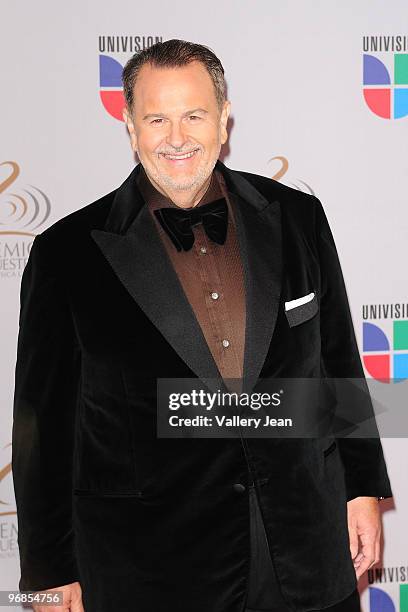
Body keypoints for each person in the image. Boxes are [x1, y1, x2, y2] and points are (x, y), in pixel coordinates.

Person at [12, 39, 392, 612]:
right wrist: (46, 571)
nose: (177, 137)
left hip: (305, 546)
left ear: (224, 116)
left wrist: (362, 487)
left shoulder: (297, 218)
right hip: (152, 566)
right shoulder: (66, 253)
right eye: (157, 118)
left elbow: (336, 360)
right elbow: (41, 427)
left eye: (194, 115)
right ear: (130, 125)